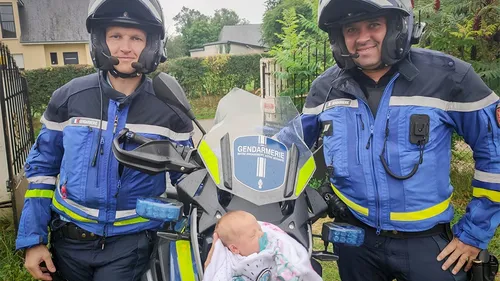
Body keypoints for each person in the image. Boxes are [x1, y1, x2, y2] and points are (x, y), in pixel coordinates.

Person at [300, 0, 500, 280]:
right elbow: (289, 149)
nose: (362, 38)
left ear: (397, 26)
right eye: (351, 29)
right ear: (338, 38)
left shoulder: (449, 76)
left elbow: (495, 153)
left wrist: (473, 235)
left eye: (373, 25)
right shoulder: (325, 88)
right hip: (355, 239)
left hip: (428, 245)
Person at [15, 1, 193, 280]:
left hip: (131, 245)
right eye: (116, 36)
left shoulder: (168, 108)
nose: (125, 46)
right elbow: (42, 172)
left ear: (152, 45)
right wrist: (33, 240)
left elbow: (189, 177)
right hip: (68, 242)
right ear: (100, 40)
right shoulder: (68, 97)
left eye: (136, 38)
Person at [203, 210, 322, 281]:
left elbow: (287, 257)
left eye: (259, 229)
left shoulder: (272, 246)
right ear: (234, 248)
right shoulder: (230, 263)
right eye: (253, 235)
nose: (261, 234)